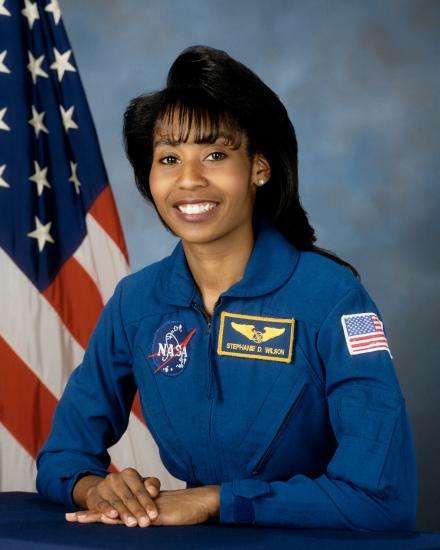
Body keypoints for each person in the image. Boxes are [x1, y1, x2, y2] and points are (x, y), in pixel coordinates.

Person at [36, 45, 417, 531]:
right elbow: (61, 457)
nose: (189, 180)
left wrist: (221, 500)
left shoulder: (335, 300)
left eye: (216, 154)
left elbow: (384, 498)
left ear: (259, 168)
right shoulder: (137, 303)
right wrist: (97, 487)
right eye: (169, 158)